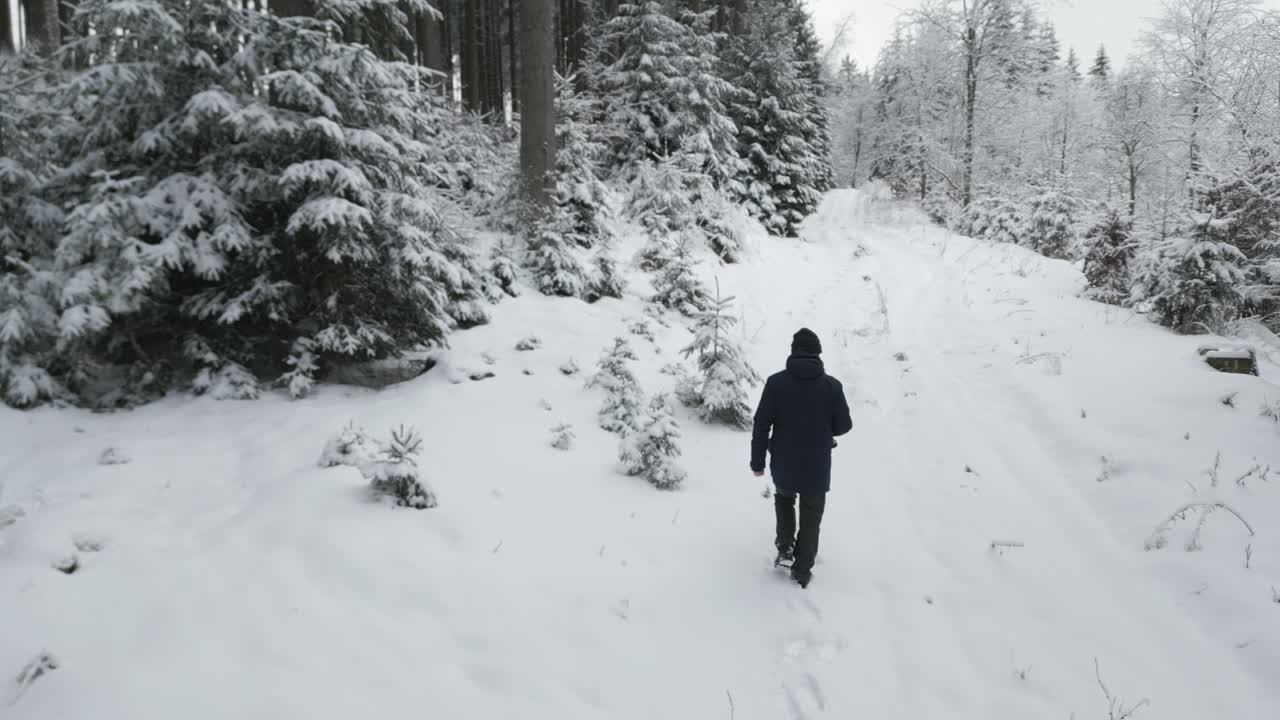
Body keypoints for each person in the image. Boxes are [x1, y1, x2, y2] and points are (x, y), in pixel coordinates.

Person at [750, 328, 852, 588]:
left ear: (793, 351)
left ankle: (785, 549)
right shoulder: (832, 386)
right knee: (812, 513)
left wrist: (758, 462)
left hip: (784, 460)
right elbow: (844, 425)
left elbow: (761, 424)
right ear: (818, 352)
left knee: (784, 498)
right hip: (817, 465)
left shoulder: (776, 383)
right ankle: (802, 569)